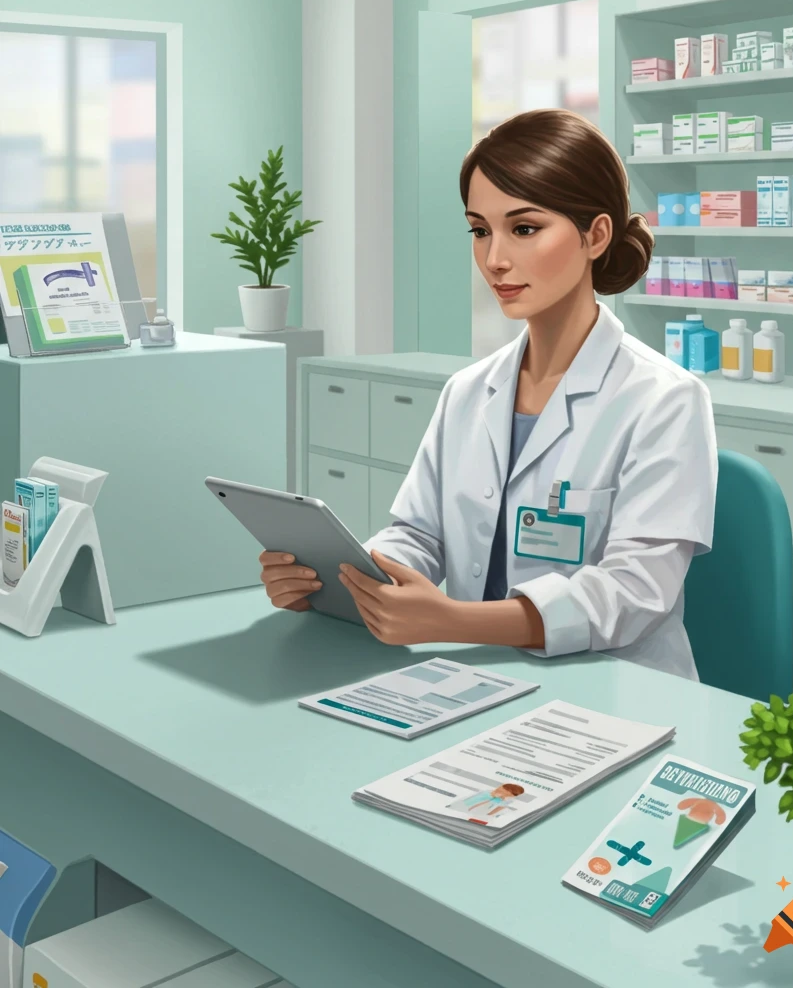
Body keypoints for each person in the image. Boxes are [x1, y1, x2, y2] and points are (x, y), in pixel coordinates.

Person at [260, 108, 717, 680]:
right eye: (480, 230)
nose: (494, 258)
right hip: (476, 677)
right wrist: (351, 583)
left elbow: (632, 594)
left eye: (524, 228)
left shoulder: (664, 399)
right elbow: (418, 534)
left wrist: (451, 621)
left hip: (612, 686)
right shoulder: (469, 391)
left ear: (595, 235)